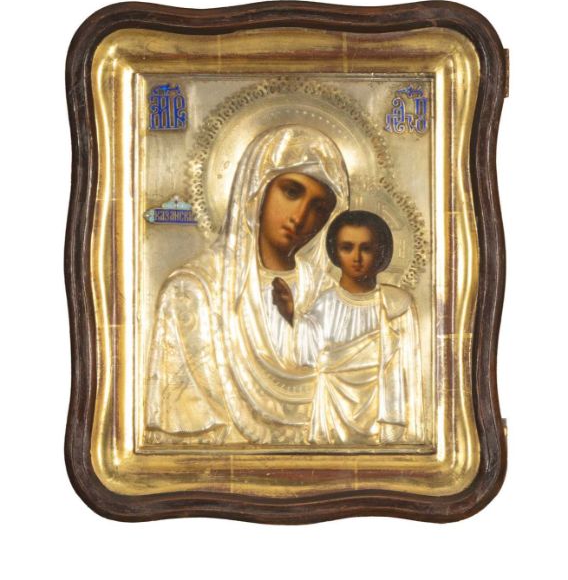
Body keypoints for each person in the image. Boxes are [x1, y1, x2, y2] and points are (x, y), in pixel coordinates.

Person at [145, 125, 350, 445]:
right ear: (257, 188)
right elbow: (184, 424)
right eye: (291, 192)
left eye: (319, 208)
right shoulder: (194, 291)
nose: (300, 216)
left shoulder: (326, 292)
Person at [273, 210, 424, 445]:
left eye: (366, 248)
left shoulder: (396, 304)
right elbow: (307, 355)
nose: (357, 258)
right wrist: (290, 314)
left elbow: (407, 368)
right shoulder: (325, 304)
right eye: (347, 248)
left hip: (380, 412)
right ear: (335, 252)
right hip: (332, 411)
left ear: (381, 252)